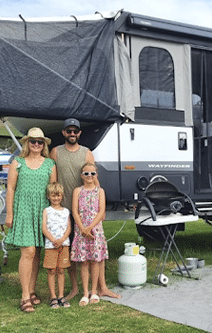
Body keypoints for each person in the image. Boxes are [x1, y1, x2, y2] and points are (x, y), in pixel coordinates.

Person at [50, 118, 120, 300]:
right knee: (73, 252)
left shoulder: (87, 153)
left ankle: (102, 287)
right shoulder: (55, 152)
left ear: (79, 133)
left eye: (75, 131)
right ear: (64, 133)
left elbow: (94, 179)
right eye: (68, 131)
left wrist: (100, 205)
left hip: (88, 212)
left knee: (96, 251)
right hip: (66, 211)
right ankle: (75, 289)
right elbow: (53, 182)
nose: (72, 134)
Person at [5, 127, 56, 313]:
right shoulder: (17, 162)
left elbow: (53, 191)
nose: (36, 144)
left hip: (42, 212)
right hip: (24, 211)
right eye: (33, 141)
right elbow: (10, 189)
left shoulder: (50, 164)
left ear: (44, 145)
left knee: (36, 254)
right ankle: (25, 297)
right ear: (27, 143)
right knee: (28, 252)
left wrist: (53, 216)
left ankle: (32, 290)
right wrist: (9, 214)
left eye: (39, 142)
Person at [71, 162, 108, 305]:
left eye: (92, 173)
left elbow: (101, 211)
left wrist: (90, 228)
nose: (89, 176)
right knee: (84, 261)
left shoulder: (100, 191)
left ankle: (94, 292)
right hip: (81, 230)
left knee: (95, 261)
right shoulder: (77, 191)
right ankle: (85, 293)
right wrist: (83, 229)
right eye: (86, 173)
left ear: (96, 175)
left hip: (95, 230)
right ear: (82, 175)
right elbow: (75, 210)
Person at [42, 182, 71, 309]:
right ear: (48, 196)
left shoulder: (66, 211)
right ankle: (53, 296)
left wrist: (62, 239)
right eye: (53, 196)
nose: (56, 198)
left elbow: (69, 227)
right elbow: (44, 228)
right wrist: (53, 240)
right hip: (50, 245)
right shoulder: (47, 211)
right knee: (51, 270)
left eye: (58, 196)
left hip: (63, 244)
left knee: (61, 270)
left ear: (62, 196)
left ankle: (61, 296)